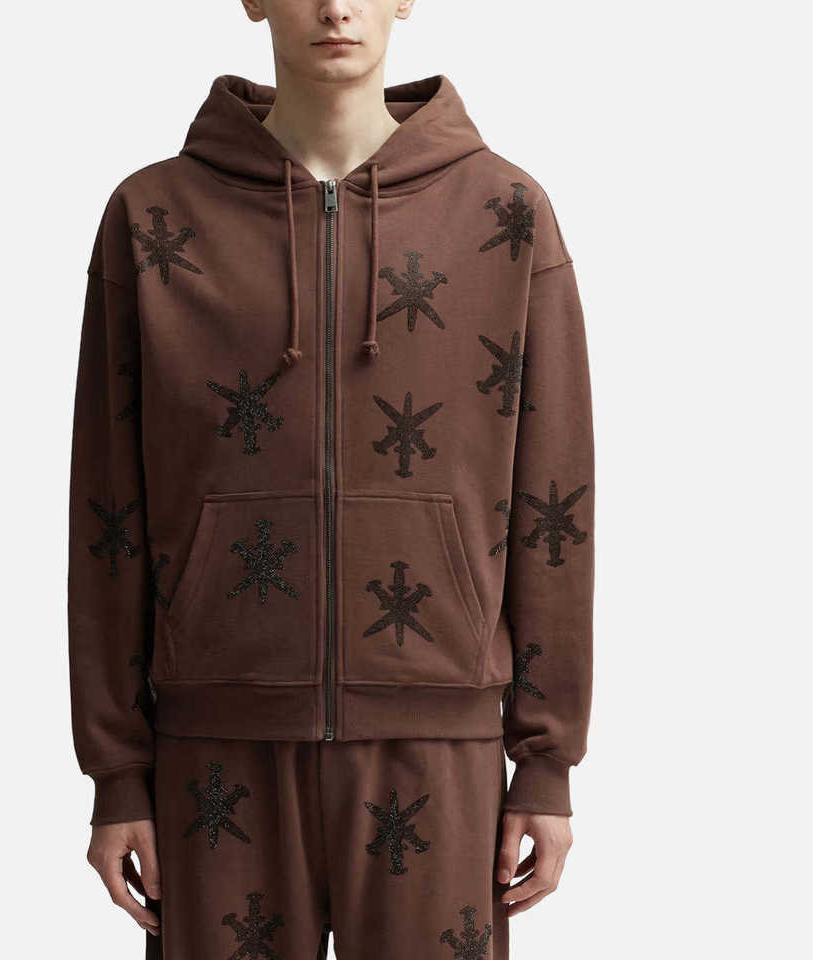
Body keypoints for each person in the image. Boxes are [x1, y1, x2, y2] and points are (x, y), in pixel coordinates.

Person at [67, 2, 594, 957]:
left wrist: (547, 761)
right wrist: (117, 773)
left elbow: (553, 501)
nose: (336, 6)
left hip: (439, 745)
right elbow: (108, 506)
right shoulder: (154, 218)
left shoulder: (505, 213)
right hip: (214, 748)